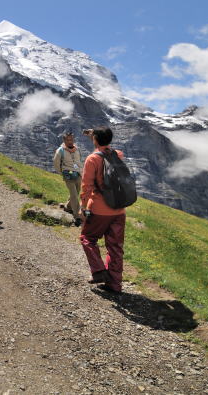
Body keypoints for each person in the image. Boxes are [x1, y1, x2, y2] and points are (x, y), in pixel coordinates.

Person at [79, 126, 126, 294]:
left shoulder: (92, 159)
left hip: (99, 209)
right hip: (119, 210)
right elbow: (106, 149)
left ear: (95, 140)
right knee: (115, 247)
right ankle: (115, 284)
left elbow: (86, 187)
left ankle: (98, 271)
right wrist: (96, 136)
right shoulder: (118, 155)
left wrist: (83, 207)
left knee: (87, 238)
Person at [53, 131, 82, 217]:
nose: (70, 141)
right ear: (64, 140)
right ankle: (77, 214)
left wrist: (81, 172)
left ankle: (68, 207)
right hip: (68, 175)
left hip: (77, 174)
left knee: (77, 192)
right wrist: (62, 173)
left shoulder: (77, 149)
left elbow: (79, 161)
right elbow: (56, 163)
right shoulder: (60, 151)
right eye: (68, 140)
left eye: (71, 139)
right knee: (73, 194)